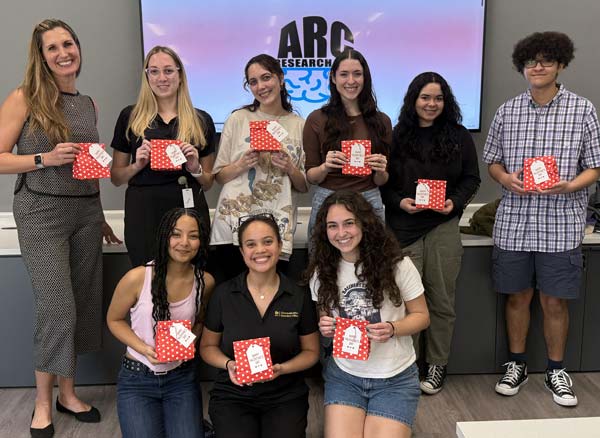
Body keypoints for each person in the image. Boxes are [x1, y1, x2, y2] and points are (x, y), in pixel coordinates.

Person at [0, 19, 121, 438]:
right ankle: (41, 403)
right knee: (57, 309)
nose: (63, 52)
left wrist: (101, 214)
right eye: (52, 48)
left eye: (68, 43)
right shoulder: (24, 98)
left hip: (85, 212)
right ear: (41, 56)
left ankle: (68, 395)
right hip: (40, 213)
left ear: (77, 48)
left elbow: (90, 167)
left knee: (84, 304)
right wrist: (43, 159)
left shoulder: (87, 103)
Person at [483, 31, 600, 407]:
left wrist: (569, 187)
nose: (537, 67)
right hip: (514, 225)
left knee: (555, 303)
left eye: (546, 60)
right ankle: (516, 364)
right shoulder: (507, 110)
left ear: (560, 65)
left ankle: (555, 371)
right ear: (523, 67)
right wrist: (506, 179)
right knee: (517, 298)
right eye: (531, 61)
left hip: (561, 226)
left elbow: (595, 168)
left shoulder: (583, 110)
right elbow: (493, 162)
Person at [382, 72, 480, 394]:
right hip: (403, 228)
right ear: (413, 100)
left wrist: (453, 203)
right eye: (425, 97)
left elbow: (471, 179)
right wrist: (400, 202)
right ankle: (407, 367)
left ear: (445, 101)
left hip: (442, 228)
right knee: (405, 305)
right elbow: (384, 185)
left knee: (441, 302)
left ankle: (436, 365)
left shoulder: (459, 136)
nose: (431, 104)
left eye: (438, 98)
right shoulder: (396, 136)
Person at [307, 190, 430, 438]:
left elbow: (422, 316)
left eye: (349, 223)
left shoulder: (397, 264)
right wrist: (326, 325)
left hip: (394, 377)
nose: (341, 233)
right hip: (345, 376)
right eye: (333, 226)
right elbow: (324, 312)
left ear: (365, 223)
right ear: (324, 231)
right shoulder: (322, 271)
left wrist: (393, 328)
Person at [200, 214, 319, 438]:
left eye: (267, 241)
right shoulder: (224, 294)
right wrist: (229, 365)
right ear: (242, 251)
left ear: (280, 245)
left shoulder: (298, 295)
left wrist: (282, 368)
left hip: (285, 394)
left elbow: (312, 352)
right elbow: (207, 347)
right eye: (251, 244)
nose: (260, 250)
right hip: (233, 395)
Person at [107, 207, 215, 438]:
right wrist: (144, 348)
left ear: (201, 241)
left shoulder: (205, 281)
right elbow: (114, 320)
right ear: (165, 236)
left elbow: (200, 321)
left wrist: (188, 342)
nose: (184, 242)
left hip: (181, 378)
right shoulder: (137, 277)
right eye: (176, 234)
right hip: (137, 378)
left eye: (193, 236)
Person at [110, 46, 216, 267]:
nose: (162, 78)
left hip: (187, 207)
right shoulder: (130, 116)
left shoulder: (201, 120)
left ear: (180, 75)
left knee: (190, 276)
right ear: (146, 76)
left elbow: (207, 183)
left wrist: (195, 167)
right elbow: (117, 178)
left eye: (168, 71)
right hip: (144, 210)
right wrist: (137, 165)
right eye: (154, 71)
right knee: (147, 276)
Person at [209, 54, 307, 281]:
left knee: (271, 296)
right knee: (232, 293)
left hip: (276, 225)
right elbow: (219, 176)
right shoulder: (238, 119)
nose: (261, 86)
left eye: (266, 78)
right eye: (253, 82)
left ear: (281, 79)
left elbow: (303, 186)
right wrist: (241, 164)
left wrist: (290, 168)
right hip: (234, 223)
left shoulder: (298, 125)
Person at [303, 48, 391, 243]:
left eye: (357, 74)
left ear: (365, 78)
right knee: (324, 262)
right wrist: (326, 167)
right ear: (333, 78)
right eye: (344, 74)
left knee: (373, 262)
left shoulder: (381, 121)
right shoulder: (316, 119)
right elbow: (311, 176)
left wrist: (380, 170)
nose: (351, 81)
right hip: (328, 197)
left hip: (369, 198)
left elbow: (381, 180)